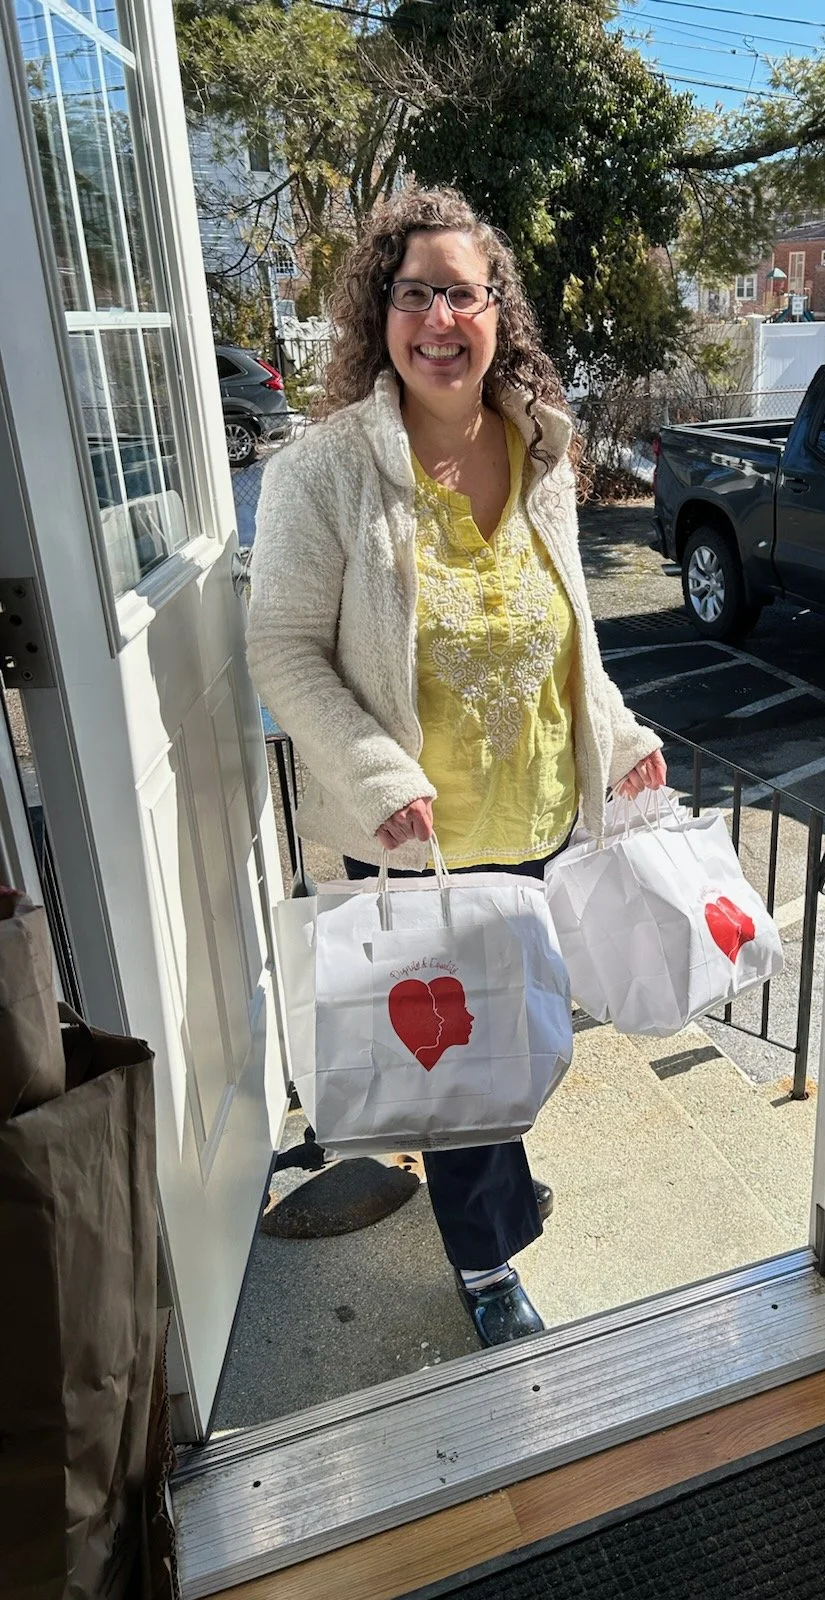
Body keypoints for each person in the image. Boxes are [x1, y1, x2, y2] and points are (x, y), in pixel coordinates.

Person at [246, 184, 667, 1347]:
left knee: (507, 1032)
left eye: (462, 294)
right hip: (415, 836)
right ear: (382, 311)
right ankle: (486, 1265)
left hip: (536, 816)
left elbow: (572, 631)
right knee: (466, 1061)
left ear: (498, 312)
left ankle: (487, 1169)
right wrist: (379, 776)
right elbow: (279, 646)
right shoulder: (324, 471)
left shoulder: (539, 446)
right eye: (415, 291)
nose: (441, 317)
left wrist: (620, 738)